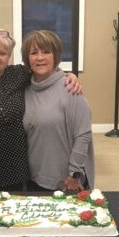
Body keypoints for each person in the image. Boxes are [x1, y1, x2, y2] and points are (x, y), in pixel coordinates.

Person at [0, 29, 81, 193]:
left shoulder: (18, 75)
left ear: (8, 57)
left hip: (16, 175)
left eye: (2, 53)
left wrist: (68, 76)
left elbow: (44, 68)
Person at [21, 30, 94, 192]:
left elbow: (83, 135)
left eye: (46, 52)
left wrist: (74, 174)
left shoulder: (70, 88)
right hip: (35, 178)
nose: (40, 57)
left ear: (56, 56)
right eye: (34, 53)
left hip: (67, 181)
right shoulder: (25, 89)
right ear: (28, 58)